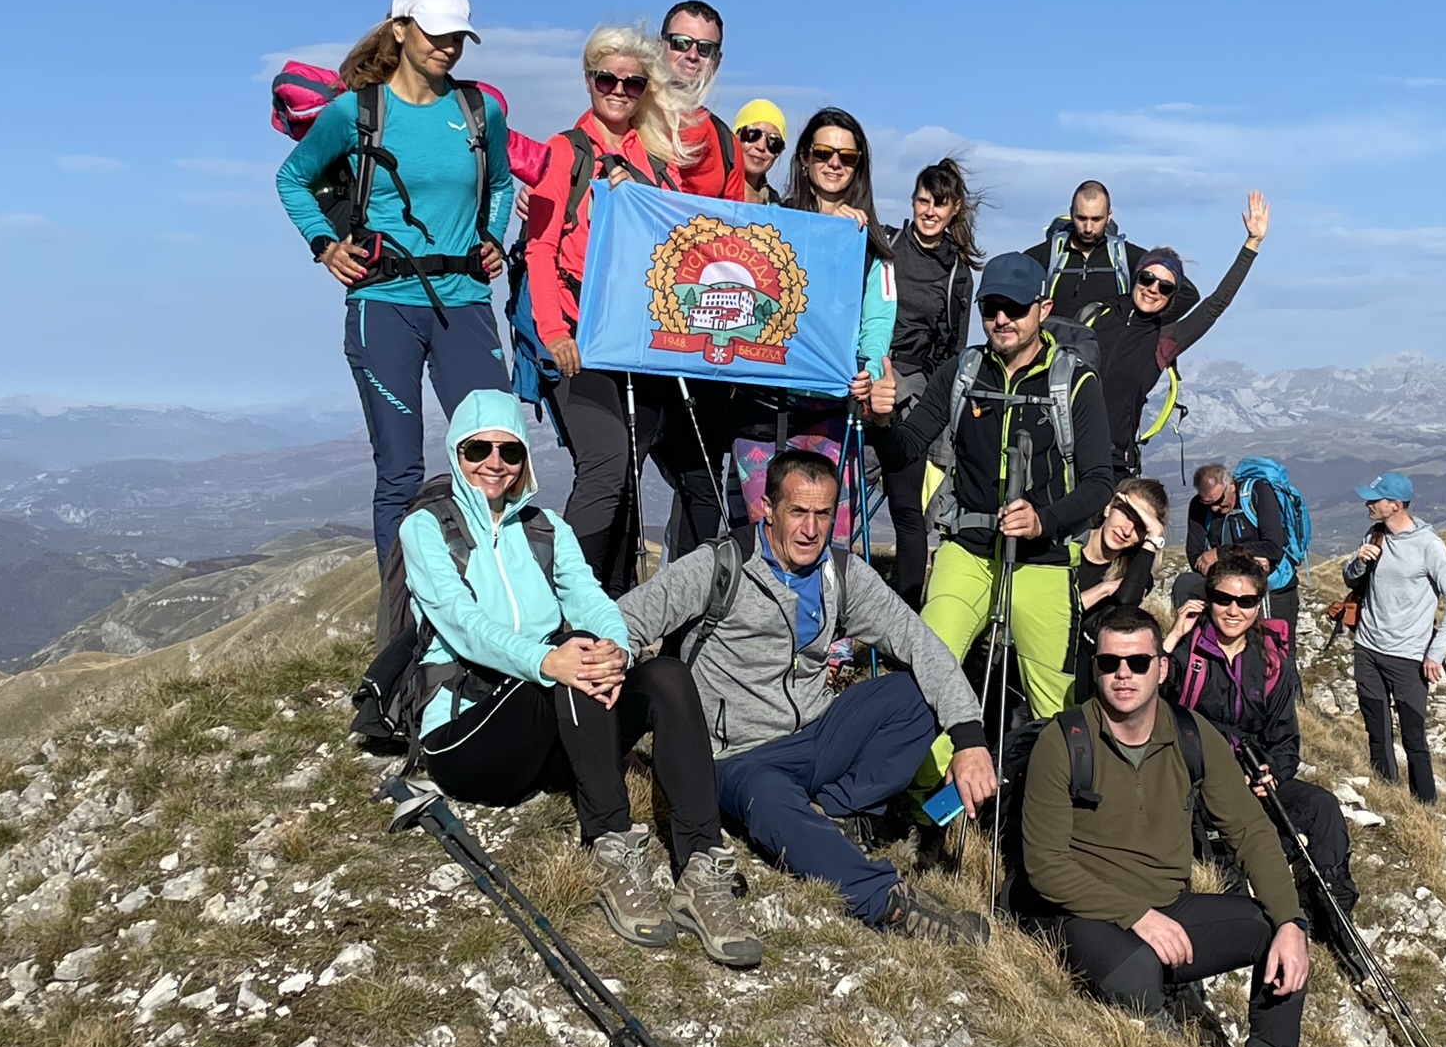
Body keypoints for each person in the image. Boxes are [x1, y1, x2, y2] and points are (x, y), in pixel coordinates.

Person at [401, 390, 760, 968]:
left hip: (550, 727)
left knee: (665, 674)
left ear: (524, 458)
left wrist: (617, 651)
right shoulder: (425, 529)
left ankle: (701, 866)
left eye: (509, 451)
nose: (494, 463)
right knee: (573, 657)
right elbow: (463, 626)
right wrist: (550, 661)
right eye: (477, 449)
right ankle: (611, 847)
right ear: (455, 452)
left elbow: (592, 601)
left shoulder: (547, 528)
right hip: (466, 736)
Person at [616, 449, 995, 943]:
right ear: (767, 509)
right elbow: (625, 621)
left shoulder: (842, 573)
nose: (811, 529)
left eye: (823, 513)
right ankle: (887, 903)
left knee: (913, 695)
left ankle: (837, 811)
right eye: (797, 511)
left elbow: (920, 644)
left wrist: (969, 737)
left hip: (817, 734)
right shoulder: (720, 565)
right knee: (771, 801)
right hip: (739, 756)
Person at [1020, 606, 1329, 1047]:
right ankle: (1160, 1018)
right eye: (1110, 662)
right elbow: (1044, 866)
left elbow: (1251, 830)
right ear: (1095, 667)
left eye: (1138, 662)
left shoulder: (1191, 734)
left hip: (1170, 906)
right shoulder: (1065, 741)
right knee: (1138, 974)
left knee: (1276, 937)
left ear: (1161, 667)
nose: (1123, 674)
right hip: (1086, 913)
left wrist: (1291, 921)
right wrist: (1137, 916)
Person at [275, 0, 513, 567]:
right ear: (401, 30)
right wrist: (325, 246)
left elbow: (501, 184)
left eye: (458, 37)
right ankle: (402, 610)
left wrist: (491, 238)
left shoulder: (480, 111)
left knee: (495, 458)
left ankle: (492, 599)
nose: (448, 47)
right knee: (401, 470)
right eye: (436, 34)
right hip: (382, 305)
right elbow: (292, 179)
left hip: (464, 302)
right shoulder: (356, 112)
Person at [869, 251, 1114, 792]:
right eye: (990, 308)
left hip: (1044, 560)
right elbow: (906, 450)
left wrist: (1043, 520)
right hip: (967, 551)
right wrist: (880, 422)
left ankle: (1050, 810)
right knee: (928, 674)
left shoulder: (1075, 383)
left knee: (1056, 703)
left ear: (1043, 309)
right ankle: (921, 800)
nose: (1001, 319)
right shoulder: (961, 372)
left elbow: (1100, 482)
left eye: (1015, 308)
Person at [521, 25, 721, 591]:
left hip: (640, 342)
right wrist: (553, 331)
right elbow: (539, 248)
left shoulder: (660, 161)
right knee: (607, 464)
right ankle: (564, 598)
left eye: (632, 83)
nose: (618, 90)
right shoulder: (565, 151)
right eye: (606, 78)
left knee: (628, 475)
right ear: (588, 80)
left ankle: (612, 602)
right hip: (577, 336)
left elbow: (679, 247)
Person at [1164, 551, 1359, 928]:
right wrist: (1172, 637)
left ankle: (1333, 907)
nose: (1233, 610)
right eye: (1223, 598)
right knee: (1220, 848)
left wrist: (1272, 773)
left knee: (1321, 806)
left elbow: (1285, 739)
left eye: (1246, 601)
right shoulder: (1186, 651)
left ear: (1259, 604)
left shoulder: (1271, 661)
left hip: (1253, 782)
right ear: (1208, 598)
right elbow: (1146, 695)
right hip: (1197, 783)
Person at [729, 109, 897, 543]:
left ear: (859, 166)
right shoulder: (772, 221)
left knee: (825, 543)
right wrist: (820, 233)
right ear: (804, 158)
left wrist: (869, 373)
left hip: (832, 416)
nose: (834, 163)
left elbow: (877, 324)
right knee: (764, 542)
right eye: (823, 152)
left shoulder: (872, 245)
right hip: (761, 411)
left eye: (847, 156)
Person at [1085, 194, 1270, 477]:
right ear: (1136, 276)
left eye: (1165, 287)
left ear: (1172, 296)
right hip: (1061, 453)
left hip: (1112, 464)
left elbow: (1215, 305)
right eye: (1147, 279)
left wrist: (1252, 244)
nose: (1153, 289)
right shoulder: (1094, 316)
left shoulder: (1164, 341)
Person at [883, 157, 983, 608]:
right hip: (865, 378)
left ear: (954, 209)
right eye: (923, 201)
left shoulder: (958, 273)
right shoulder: (885, 245)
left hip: (914, 396)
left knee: (907, 509)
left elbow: (954, 351)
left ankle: (905, 613)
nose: (929, 211)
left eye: (939, 204)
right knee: (843, 499)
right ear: (912, 201)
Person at [1342, 472, 1446, 806]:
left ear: (1395, 505)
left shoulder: (1429, 545)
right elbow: (1351, 579)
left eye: (1375, 500)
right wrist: (1358, 563)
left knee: (1414, 739)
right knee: (1376, 730)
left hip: (1408, 657)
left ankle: (1425, 807)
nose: (1368, 504)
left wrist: (1435, 653)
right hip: (1367, 648)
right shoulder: (1375, 534)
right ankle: (1387, 799)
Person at [1025, 181, 1198, 323]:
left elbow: (1187, 294)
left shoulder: (1126, 257)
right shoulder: (1043, 257)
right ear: (1071, 214)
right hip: (1056, 353)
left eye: (1096, 219)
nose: (1088, 228)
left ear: (1109, 216)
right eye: (1081, 218)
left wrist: (1143, 327)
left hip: (1111, 354)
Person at [1070, 478, 1168, 697]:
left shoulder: (1135, 575)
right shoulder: (1065, 546)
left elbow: (1126, 602)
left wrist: (1154, 538)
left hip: (1083, 680)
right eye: (1127, 514)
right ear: (1108, 507)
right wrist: (1104, 589)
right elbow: (1051, 613)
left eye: (1140, 527)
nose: (1127, 530)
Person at [1186, 462, 1297, 629]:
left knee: (1277, 642)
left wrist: (1220, 554)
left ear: (1231, 485)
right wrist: (1247, 560)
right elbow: (1196, 558)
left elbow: (1273, 548)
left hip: (1274, 590)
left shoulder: (1258, 493)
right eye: (1208, 503)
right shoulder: (1198, 507)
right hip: (1227, 594)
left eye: (1219, 500)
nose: (1215, 508)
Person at [660, 0, 744, 202]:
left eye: (705, 48)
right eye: (680, 43)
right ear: (659, 46)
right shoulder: (626, 115)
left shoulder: (727, 146)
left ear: (717, 60)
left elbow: (732, 219)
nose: (692, 55)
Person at [732, 98, 788, 205]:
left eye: (774, 142)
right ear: (735, 137)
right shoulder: (710, 188)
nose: (761, 146)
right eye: (752, 134)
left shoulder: (775, 205)